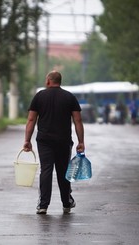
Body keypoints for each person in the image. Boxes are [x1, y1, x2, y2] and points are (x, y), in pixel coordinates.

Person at [23, 71, 85, 215]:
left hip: (44, 141)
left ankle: (43, 205)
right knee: (63, 171)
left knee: (46, 170)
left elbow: (31, 120)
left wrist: (27, 140)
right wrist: (81, 141)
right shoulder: (69, 97)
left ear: (49, 81)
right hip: (63, 141)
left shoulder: (39, 96)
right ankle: (66, 203)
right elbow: (78, 121)